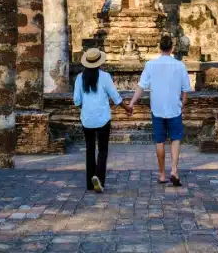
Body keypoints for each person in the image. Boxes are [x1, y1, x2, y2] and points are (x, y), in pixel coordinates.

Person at [127, 34, 191, 186]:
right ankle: (174, 170)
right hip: (174, 108)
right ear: (172, 48)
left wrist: (131, 103)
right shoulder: (180, 65)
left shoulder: (150, 65)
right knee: (175, 139)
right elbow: (185, 91)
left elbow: (141, 87)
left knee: (160, 141)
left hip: (157, 108)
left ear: (159, 47)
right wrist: (182, 105)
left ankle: (162, 174)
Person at [73, 47, 125, 193]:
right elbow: (115, 97)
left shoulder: (79, 78)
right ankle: (99, 179)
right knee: (102, 151)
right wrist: (127, 108)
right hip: (103, 119)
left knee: (89, 150)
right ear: (99, 62)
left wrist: (86, 107)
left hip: (87, 119)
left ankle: (90, 183)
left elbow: (76, 101)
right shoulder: (105, 77)